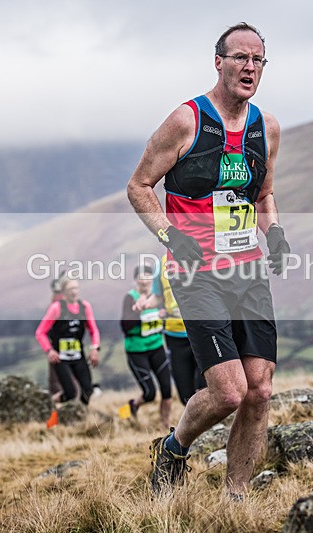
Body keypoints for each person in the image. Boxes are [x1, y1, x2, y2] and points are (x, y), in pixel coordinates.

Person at [126, 22, 289, 498]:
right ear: (218, 61)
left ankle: (235, 499)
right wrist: (170, 237)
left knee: (260, 389)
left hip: (248, 272)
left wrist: (274, 232)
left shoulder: (267, 127)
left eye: (258, 60)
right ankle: (174, 447)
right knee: (229, 392)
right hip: (197, 275)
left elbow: (265, 194)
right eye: (240, 57)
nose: (249, 67)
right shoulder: (186, 121)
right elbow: (138, 186)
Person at [134, 253, 206, 406]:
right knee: (185, 395)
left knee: (205, 388)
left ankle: (215, 428)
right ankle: (199, 427)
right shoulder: (162, 262)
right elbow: (159, 297)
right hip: (175, 336)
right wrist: (145, 304)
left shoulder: (202, 252)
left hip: (203, 331)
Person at [120, 265, 173, 428]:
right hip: (137, 350)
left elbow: (166, 317)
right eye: (141, 278)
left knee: (167, 390)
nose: (145, 281)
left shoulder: (157, 297)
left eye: (148, 277)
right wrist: (138, 310)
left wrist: (163, 315)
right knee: (150, 393)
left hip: (157, 346)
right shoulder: (130, 298)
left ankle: (165, 426)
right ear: (136, 280)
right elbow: (125, 326)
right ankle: (133, 406)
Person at [35, 277, 100, 405]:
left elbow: (94, 330)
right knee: (70, 393)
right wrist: (49, 350)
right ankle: (50, 404)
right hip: (60, 357)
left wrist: (95, 348)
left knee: (88, 390)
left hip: (78, 354)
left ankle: (82, 415)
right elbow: (40, 332)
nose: (74, 292)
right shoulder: (56, 308)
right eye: (70, 289)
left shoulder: (85, 307)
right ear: (64, 292)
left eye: (76, 288)